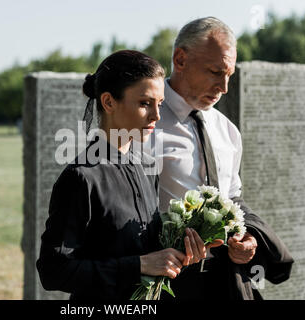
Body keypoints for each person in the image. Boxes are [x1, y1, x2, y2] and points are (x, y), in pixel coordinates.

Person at [36, 50, 223, 301]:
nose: (157, 116)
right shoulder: (81, 178)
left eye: (160, 104)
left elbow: (146, 251)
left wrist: (182, 248)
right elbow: (53, 271)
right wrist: (138, 266)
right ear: (109, 102)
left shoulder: (147, 166)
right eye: (145, 103)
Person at [149, 17, 294, 300]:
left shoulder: (227, 130)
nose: (224, 86)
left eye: (229, 74)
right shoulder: (144, 123)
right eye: (216, 72)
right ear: (180, 59)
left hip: (224, 283)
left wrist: (248, 238)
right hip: (168, 285)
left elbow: (233, 199)